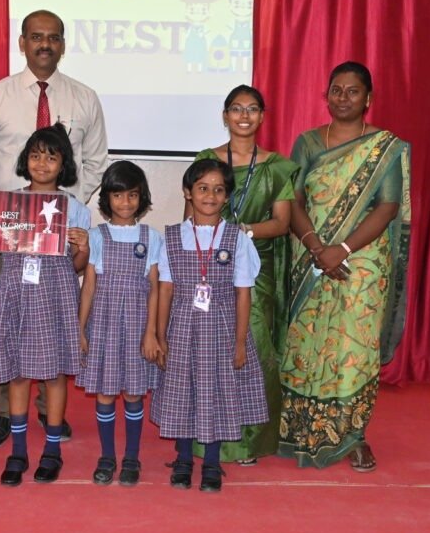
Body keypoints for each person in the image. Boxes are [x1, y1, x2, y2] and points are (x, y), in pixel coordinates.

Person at [0, 9, 109, 447]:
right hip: (9, 236)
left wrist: (63, 202)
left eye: (53, 38)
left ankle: (52, 412)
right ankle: (2, 413)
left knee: (52, 319)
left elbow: (95, 159)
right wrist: (8, 212)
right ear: (22, 42)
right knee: (8, 320)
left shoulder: (84, 97)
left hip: (57, 231)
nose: (44, 44)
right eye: (36, 37)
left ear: (63, 44)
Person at [280, 61, 411, 472]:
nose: (343, 98)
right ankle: (298, 428)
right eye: (336, 90)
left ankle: (354, 436)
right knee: (306, 345)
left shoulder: (386, 148)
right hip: (311, 255)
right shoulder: (307, 143)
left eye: (352, 91)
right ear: (327, 95)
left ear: (368, 99)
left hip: (362, 261)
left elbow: (388, 206)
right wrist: (318, 246)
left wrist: (343, 248)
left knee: (352, 348)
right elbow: (294, 201)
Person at [0, 125, 91, 486]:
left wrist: (82, 247)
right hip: (16, 294)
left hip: (56, 296)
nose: (42, 163)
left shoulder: (75, 209)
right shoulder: (7, 203)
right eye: (36, 155)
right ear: (25, 160)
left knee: (54, 375)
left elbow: (78, 267)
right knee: (19, 372)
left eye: (52, 157)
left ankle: (52, 451)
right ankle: (18, 451)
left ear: (63, 164)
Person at [190, 85, 298, 465]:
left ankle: (249, 441)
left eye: (252, 109)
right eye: (236, 108)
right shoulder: (207, 159)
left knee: (252, 349)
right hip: (208, 269)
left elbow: (282, 223)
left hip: (255, 271)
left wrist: (240, 234)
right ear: (225, 115)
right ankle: (208, 440)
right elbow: (194, 214)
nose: (244, 116)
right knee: (209, 350)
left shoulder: (276, 166)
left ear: (262, 116)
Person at [151, 159, 266, 493]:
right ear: (188, 192)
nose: (210, 196)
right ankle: (184, 458)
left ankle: (212, 463)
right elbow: (166, 289)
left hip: (221, 329)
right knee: (182, 390)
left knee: (217, 391)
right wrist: (160, 335)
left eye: (218, 190)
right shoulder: (171, 237)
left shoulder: (237, 238)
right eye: (202, 188)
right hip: (182, 328)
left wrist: (241, 341)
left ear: (227, 196)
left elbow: (243, 292)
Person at [76, 161, 163, 486]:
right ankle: (107, 455)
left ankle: (131, 457)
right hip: (104, 327)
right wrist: (80, 329)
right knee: (105, 394)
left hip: (138, 327)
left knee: (133, 395)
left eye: (132, 195)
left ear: (142, 198)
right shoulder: (96, 236)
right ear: (106, 199)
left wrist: (152, 332)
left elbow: (155, 288)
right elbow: (89, 287)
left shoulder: (151, 238)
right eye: (117, 195)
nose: (125, 203)